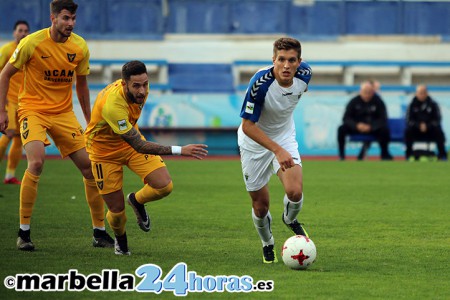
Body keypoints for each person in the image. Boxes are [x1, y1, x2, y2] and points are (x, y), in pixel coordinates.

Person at [0, 0, 114, 251]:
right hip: (32, 110)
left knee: (90, 168)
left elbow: (82, 85)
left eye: (73, 19)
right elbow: (4, 74)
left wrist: (90, 120)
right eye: (65, 18)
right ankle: (24, 233)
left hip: (63, 113)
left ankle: (99, 232)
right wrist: (1, 111)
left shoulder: (80, 46)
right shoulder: (32, 42)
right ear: (53, 19)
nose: (70, 23)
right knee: (37, 162)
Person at [85, 60, 208, 255]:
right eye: (136, 86)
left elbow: (135, 141)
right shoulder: (113, 105)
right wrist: (179, 150)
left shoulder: (141, 89)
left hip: (129, 143)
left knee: (164, 185)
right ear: (124, 84)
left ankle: (136, 200)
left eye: (145, 84)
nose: (142, 90)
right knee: (117, 212)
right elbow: (140, 145)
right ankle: (121, 241)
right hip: (104, 153)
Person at [237, 37, 311, 264]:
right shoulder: (260, 83)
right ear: (273, 60)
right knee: (260, 206)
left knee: (295, 192)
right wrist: (277, 150)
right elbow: (248, 126)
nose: (286, 65)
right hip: (254, 143)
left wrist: (281, 146)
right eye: (281, 60)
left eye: (291, 60)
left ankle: (289, 219)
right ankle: (267, 242)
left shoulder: (305, 76)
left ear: (299, 61)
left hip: (283, 136)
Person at [0, 20, 30, 184]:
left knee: (20, 138)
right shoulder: (6, 50)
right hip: (9, 100)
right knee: (9, 133)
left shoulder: (29, 50)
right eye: (20, 30)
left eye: (26, 31)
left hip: (24, 102)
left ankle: (9, 175)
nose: (23, 33)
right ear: (14, 32)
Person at [337, 81, 393, 160]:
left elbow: (383, 119)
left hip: (373, 129)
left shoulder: (378, 102)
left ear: (373, 92)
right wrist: (356, 125)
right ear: (360, 91)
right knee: (341, 129)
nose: (367, 94)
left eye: (369, 92)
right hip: (356, 128)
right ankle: (341, 156)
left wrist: (371, 127)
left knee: (384, 130)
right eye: (365, 92)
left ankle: (384, 155)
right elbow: (346, 118)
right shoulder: (354, 101)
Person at [404, 85, 447, 161]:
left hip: (430, 130)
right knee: (408, 131)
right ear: (416, 93)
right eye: (420, 92)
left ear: (427, 93)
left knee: (439, 132)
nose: (421, 94)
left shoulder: (433, 104)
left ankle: (442, 155)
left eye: (423, 92)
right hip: (416, 130)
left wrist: (427, 126)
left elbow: (437, 119)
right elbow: (409, 120)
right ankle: (408, 155)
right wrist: (419, 125)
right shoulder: (412, 105)